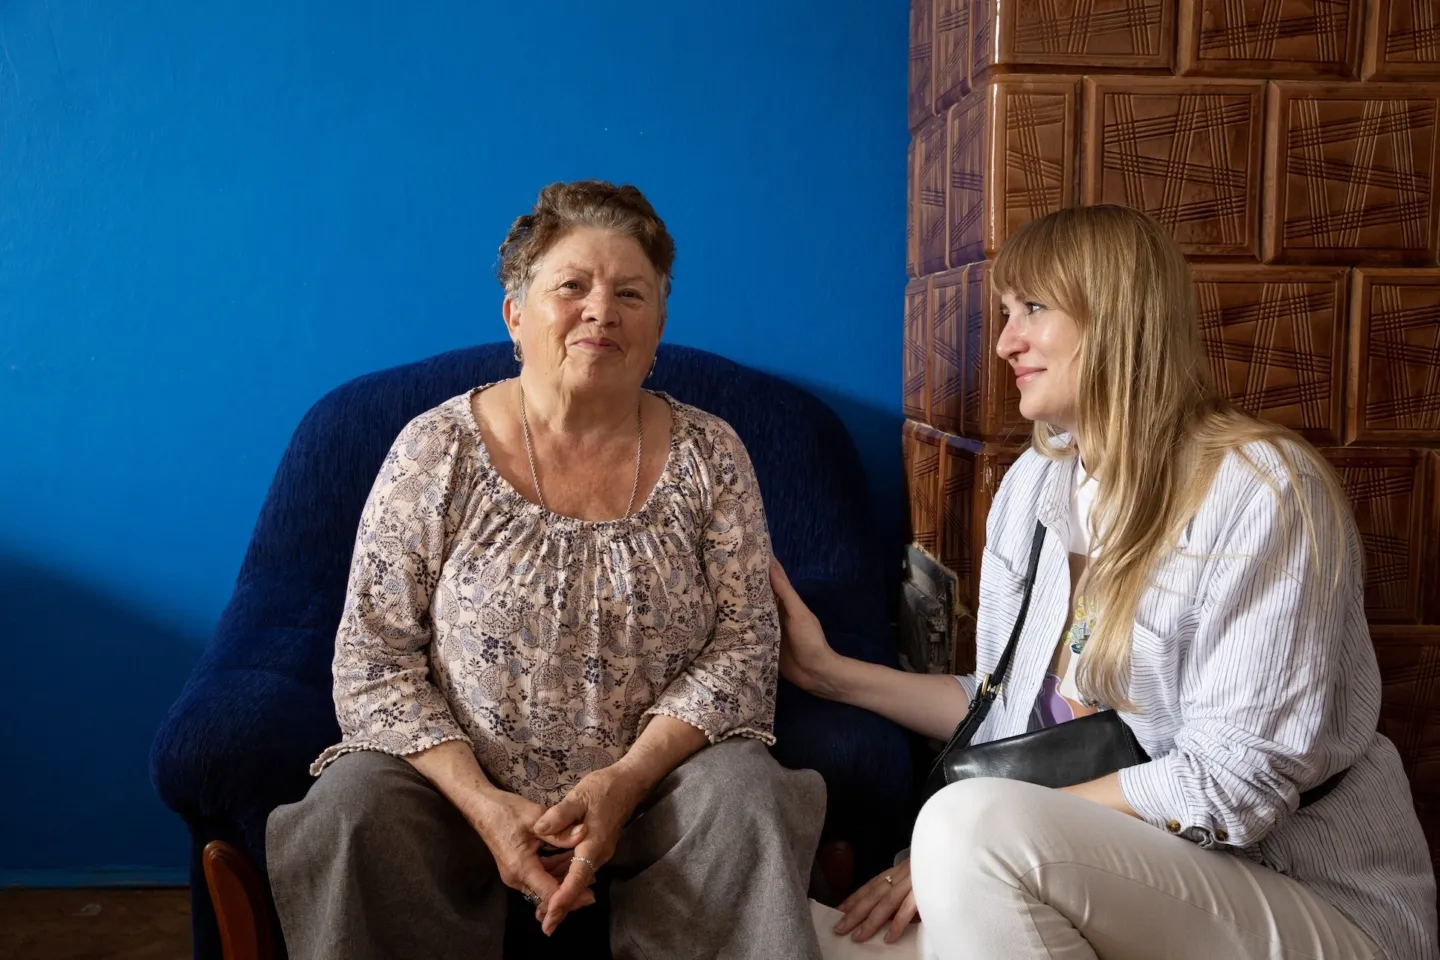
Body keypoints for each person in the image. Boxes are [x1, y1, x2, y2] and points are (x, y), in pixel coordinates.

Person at [772, 204, 1437, 959]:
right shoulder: (1034, 484)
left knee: (963, 825)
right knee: (814, 941)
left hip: (1300, 893)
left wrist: (978, 842)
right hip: (1086, 873)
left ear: (1118, 315)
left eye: (1033, 308)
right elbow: (1006, 708)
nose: (1005, 341)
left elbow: (1233, 785)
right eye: (1005, 312)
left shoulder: (1259, 490)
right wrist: (828, 674)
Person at [266, 180, 827, 960]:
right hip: (452, 799)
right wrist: (485, 804)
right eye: (572, 287)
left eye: (630, 293)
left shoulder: (713, 454)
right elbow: (373, 658)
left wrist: (624, 783)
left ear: (658, 328)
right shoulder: (436, 450)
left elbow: (743, 647)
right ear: (515, 315)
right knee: (347, 810)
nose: (602, 311)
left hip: (662, 794)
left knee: (749, 796)